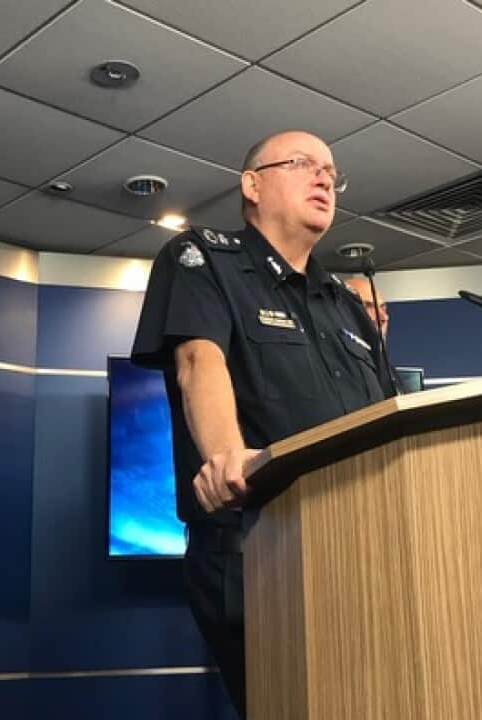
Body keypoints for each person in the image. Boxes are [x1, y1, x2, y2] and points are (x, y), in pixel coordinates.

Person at [131, 130, 393, 718]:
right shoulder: (204, 259)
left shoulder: (349, 305)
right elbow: (199, 361)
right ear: (252, 185)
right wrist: (227, 456)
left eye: (331, 171)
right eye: (303, 164)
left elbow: (386, 418)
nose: (325, 178)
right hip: (259, 545)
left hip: (362, 547)